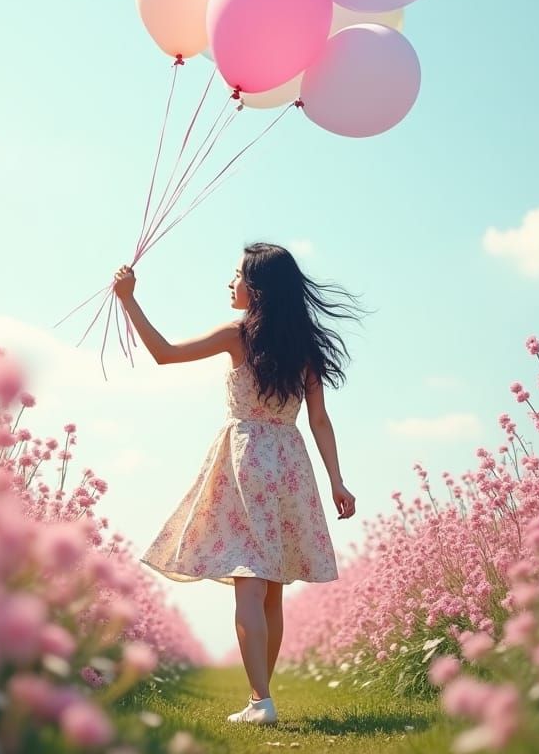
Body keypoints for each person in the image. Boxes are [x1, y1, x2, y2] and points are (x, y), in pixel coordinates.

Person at [112, 242, 362, 726]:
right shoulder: (305, 348)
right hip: (290, 461)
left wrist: (129, 299)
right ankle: (259, 698)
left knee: (249, 584)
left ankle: (261, 702)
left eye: (237, 276)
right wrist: (337, 480)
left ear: (258, 288)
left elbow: (164, 354)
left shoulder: (237, 336)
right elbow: (320, 421)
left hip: (247, 458)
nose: (230, 283)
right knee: (271, 590)